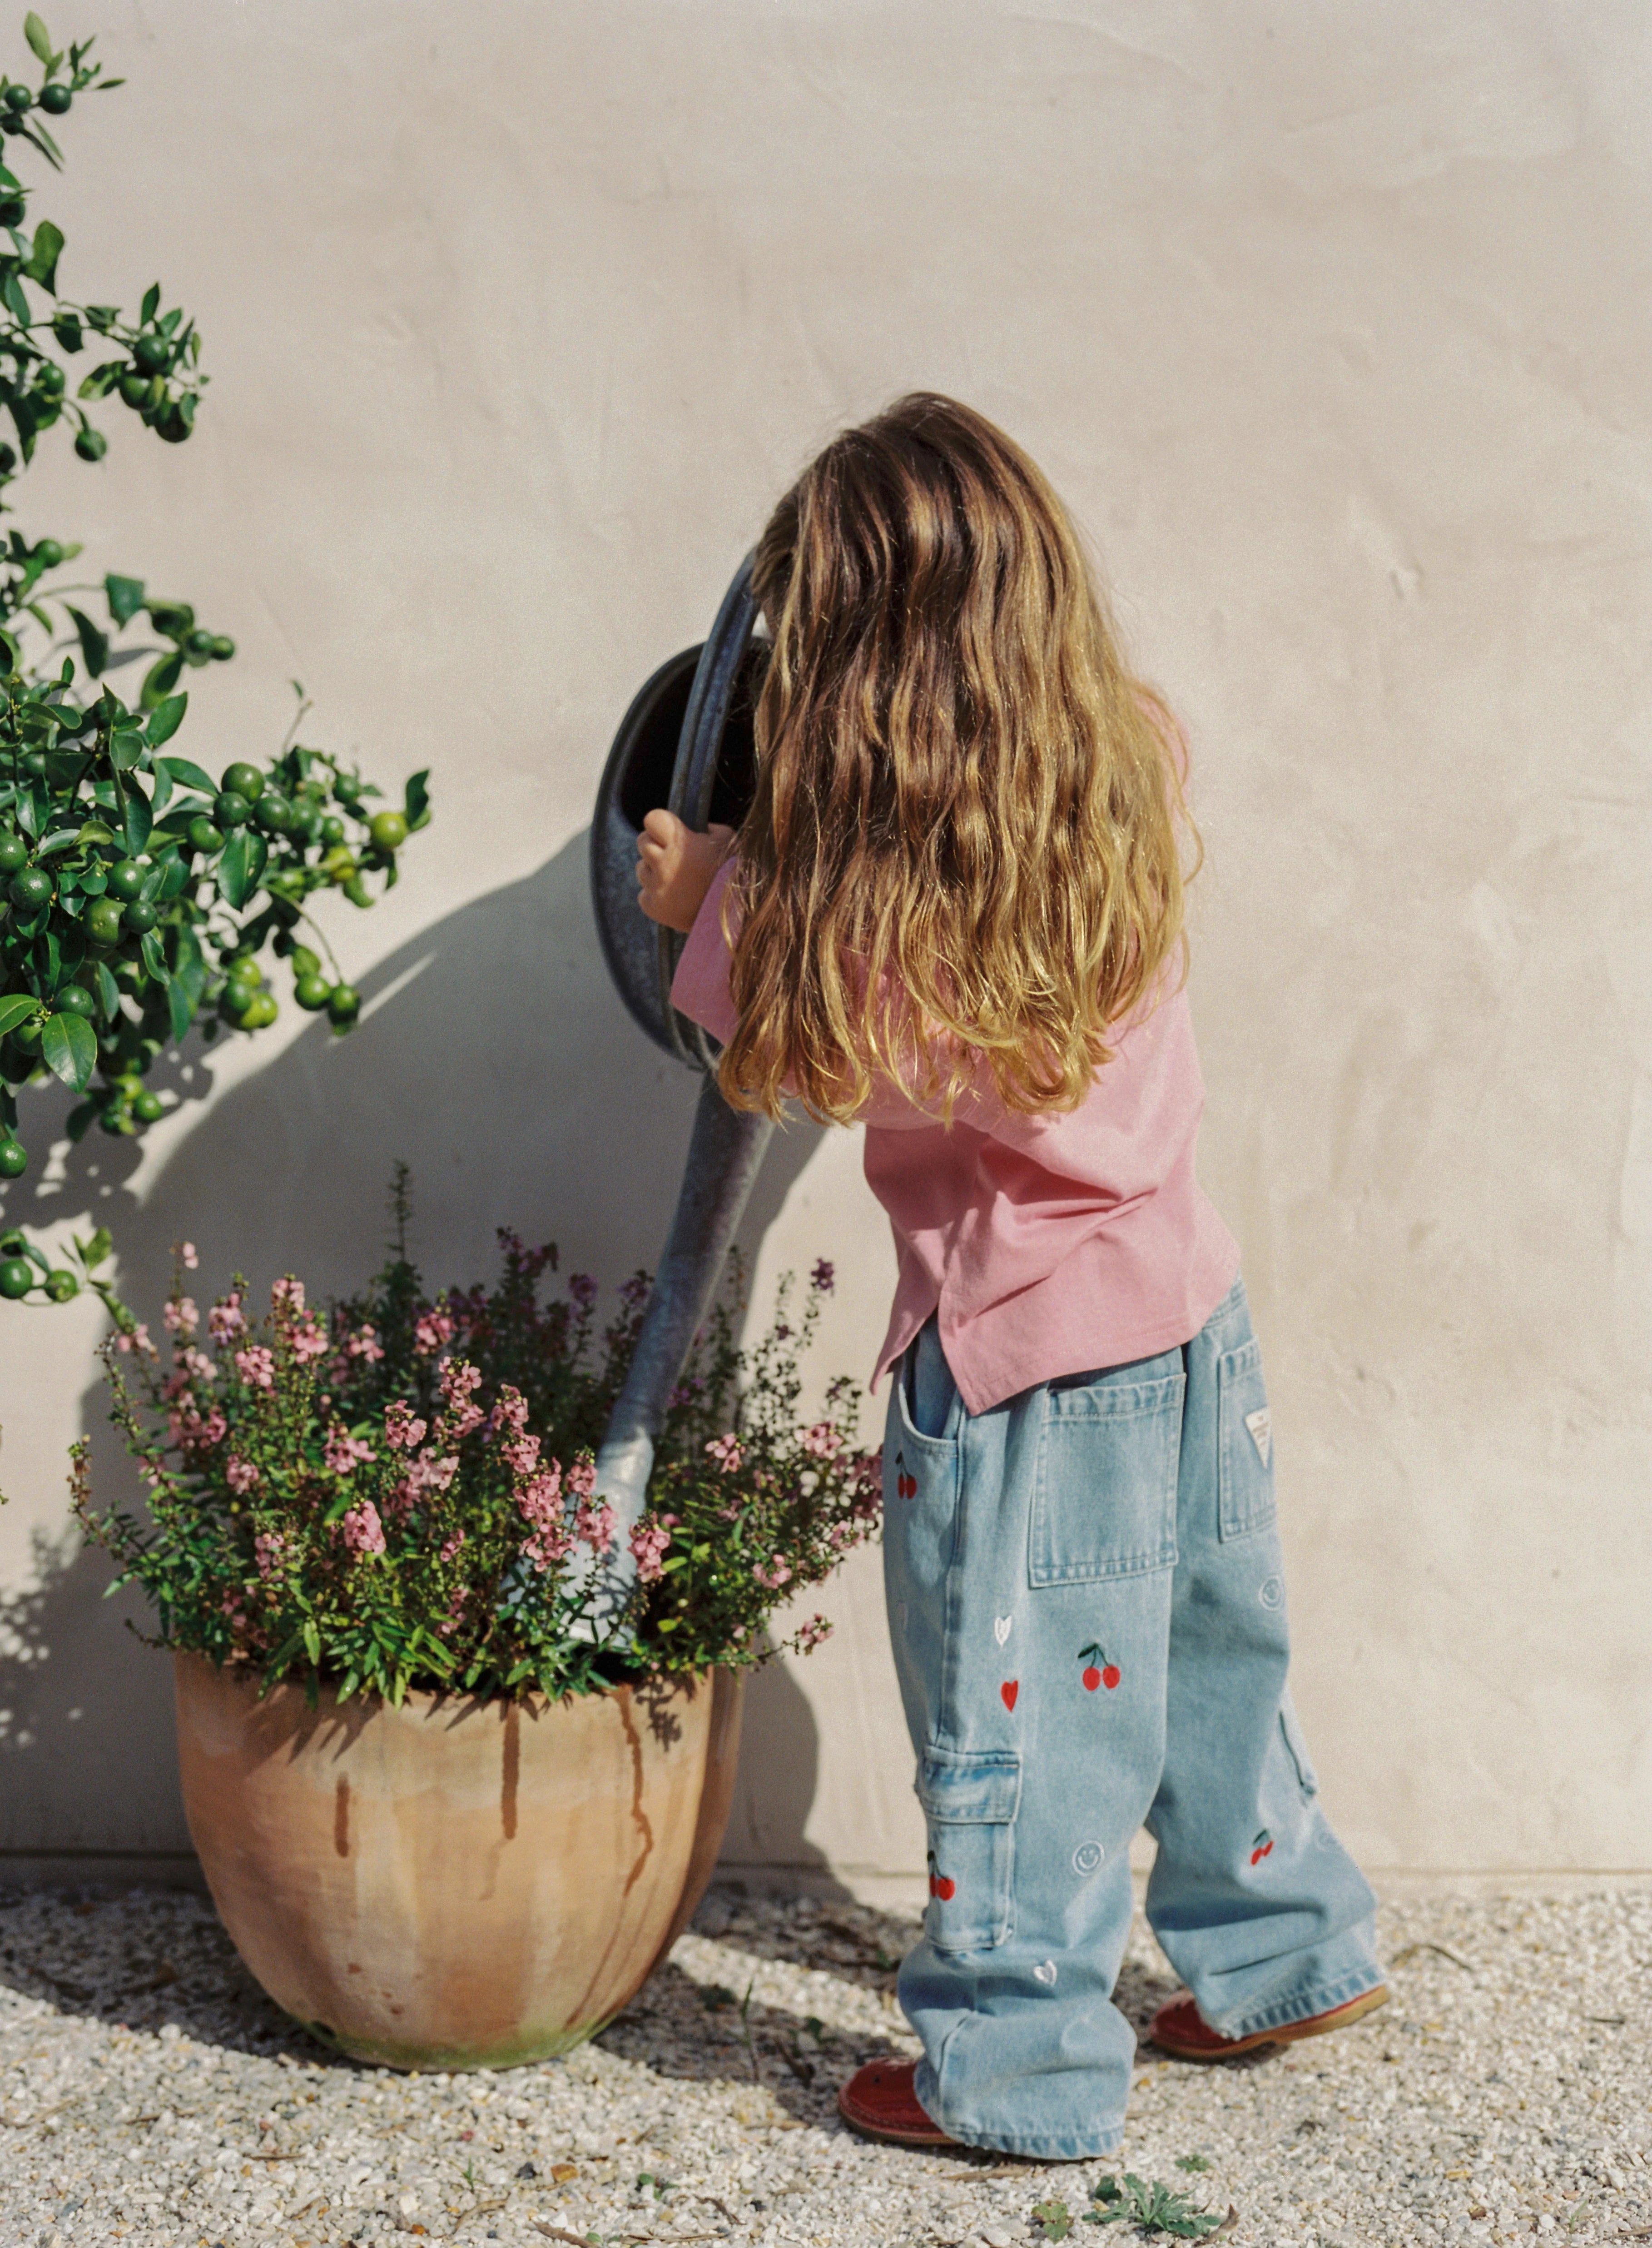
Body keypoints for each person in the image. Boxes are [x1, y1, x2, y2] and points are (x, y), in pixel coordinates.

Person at [635, 394, 1385, 2163]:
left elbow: (822, 1026)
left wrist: (708, 898)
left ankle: (1016, 2066)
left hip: (1023, 1369)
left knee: (1017, 1719)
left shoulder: (886, 913)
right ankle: (1286, 1942)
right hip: (1191, 1319)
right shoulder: (1122, 759)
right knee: (1211, 1651)